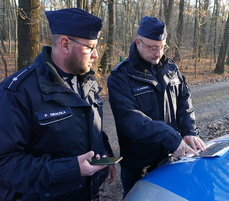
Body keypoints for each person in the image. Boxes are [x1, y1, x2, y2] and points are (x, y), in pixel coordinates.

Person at [0, 8, 116, 201]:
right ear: (65, 44)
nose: (96, 55)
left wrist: (106, 155)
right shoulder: (18, 92)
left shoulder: (87, 82)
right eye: (90, 47)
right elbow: (6, 164)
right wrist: (71, 169)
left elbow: (92, 128)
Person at [107, 16, 206, 197]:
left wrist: (190, 131)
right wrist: (169, 136)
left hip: (170, 156)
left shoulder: (171, 68)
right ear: (138, 43)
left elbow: (184, 101)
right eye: (152, 48)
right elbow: (130, 120)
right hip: (138, 161)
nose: (158, 53)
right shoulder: (120, 77)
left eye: (162, 47)